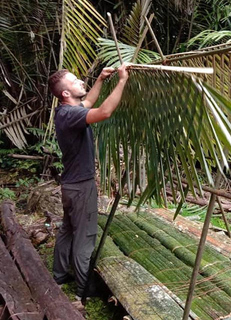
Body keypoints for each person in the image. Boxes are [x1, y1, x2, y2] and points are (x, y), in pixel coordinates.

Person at [47, 63, 129, 299]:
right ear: (65, 93)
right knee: (85, 237)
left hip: (70, 186)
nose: (81, 82)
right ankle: (84, 290)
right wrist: (122, 81)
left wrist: (101, 79)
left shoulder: (65, 112)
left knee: (68, 231)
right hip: (81, 187)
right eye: (75, 82)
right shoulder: (71, 114)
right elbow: (103, 112)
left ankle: (60, 275)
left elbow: (89, 104)